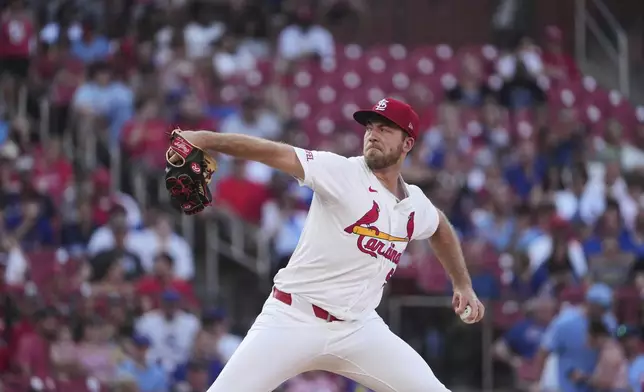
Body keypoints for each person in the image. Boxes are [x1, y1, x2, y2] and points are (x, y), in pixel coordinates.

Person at [171, 97, 485, 391]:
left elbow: (440, 226)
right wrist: (206, 138)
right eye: (370, 127)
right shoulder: (343, 171)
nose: (373, 135)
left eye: (385, 129)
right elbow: (273, 152)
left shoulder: (414, 203)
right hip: (293, 319)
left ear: (407, 143)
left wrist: (462, 283)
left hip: (359, 328)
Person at [533, 283, 618, 392]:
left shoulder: (609, 322)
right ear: (589, 303)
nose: (603, 311)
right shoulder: (564, 322)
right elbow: (543, 351)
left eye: (606, 307)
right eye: (601, 307)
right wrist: (536, 382)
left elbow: (612, 353)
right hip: (567, 386)